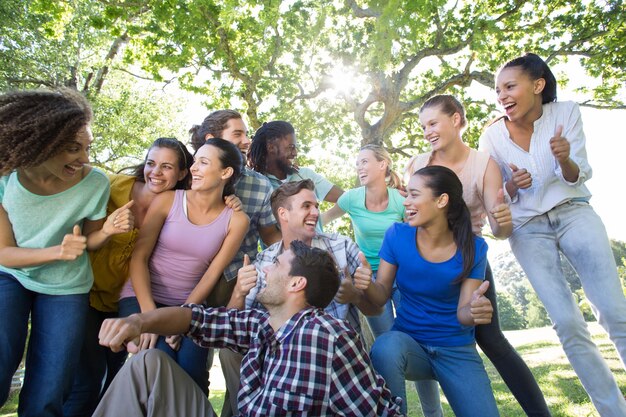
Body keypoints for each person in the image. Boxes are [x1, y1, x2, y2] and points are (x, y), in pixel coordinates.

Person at [93, 241, 403, 417]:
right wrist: (137, 321)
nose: (264, 269)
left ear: (297, 283)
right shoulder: (262, 325)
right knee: (148, 364)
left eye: (276, 265)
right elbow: (194, 319)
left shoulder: (324, 336)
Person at [480, 52, 626, 416]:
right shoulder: (492, 136)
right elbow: (495, 195)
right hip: (528, 228)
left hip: (573, 211)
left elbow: (576, 175)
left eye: (510, 86)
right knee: (567, 321)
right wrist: (513, 184)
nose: (502, 96)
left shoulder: (566, 113)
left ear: (538, 85)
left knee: (613, 310)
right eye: (499, 90)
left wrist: (564, 158)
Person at [405, 95, 550, 417]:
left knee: (491, 337)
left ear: (456, 119)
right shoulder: (417, 164)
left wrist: (502, 219)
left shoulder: (483, 164)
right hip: (422, 259)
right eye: (423, 126)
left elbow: (498, 228)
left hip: (466, 257)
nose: (427, 131)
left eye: (433, 123)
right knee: (410, 334)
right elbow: (408, 218)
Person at [0, 89, 133, 417]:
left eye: (87, 147)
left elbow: (90, 241)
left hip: (66, 287)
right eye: (73, 148)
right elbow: (3, 253)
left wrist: (108, 231)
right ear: (40, 142)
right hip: (11, 275)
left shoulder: (95, 183)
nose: (84, 158)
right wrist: (57, 252)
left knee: (51, 387)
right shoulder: (6, 178)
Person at [219, 179, 382, 416]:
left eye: (316, 206)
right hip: (279, 358)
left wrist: (356, 295)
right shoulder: (265, 263)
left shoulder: (341, 247)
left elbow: (376, 309)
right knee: (229, 352)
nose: (316, 212)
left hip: (331, 357)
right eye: (307, 206)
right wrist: (239, 292)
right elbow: (232, 325)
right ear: (283, 214)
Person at [63, 137, 193, 417]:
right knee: (86, 381)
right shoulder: (113, 186)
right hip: (84, 291)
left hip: (122, 302)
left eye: (166, 167)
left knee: (115, 379)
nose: (156, 172)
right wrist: (109, 229)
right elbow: (83, 240)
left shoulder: (178, 208)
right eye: (151, 163)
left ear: (182, 173)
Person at [363, 166, 499, 417]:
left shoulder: (474, 248)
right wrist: (362, 284)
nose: (406, 202)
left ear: (441, 200)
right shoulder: (397, 235)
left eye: (414, 195)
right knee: (385, 346)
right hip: (410, 345)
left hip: (456, 351)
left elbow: (463, 314)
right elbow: (381, 294)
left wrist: (475, 309)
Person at [117, 138, 249, 394]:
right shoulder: (168, 200)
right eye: (194, 161)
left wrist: (183, 316)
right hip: (143, 297)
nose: (194, 168)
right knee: (160, 362)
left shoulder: (236, 219)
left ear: (225, 172)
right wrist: (150, 316)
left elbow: (212, 274)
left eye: (203, 162)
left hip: (190, 304)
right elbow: (139, 257)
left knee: (193, 374)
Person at [190, 110, 281, 307]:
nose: (247, 141)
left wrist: (302, 250)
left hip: (233, 278)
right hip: (188, 273)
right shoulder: (189, 175)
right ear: (211, 140)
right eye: (238, 134)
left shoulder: (260, 185)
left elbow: (270, 235)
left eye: (246, 134)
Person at [322, 144, 404, 337]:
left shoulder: (400, 201)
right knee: (386, 338)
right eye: (357, 163)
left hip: (400, 274)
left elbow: (416, 238)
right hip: (368, 277)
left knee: (411, 333)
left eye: (364, 162)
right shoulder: (351, 198)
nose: (359, 167)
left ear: (382, 164)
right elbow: (321, 220)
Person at [248, 120, 344, 203]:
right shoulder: (256, 184)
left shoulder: (305, 175)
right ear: (271, 147)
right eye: (291, 147)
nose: (295, 153)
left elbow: (346, 199)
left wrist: (325, 218)